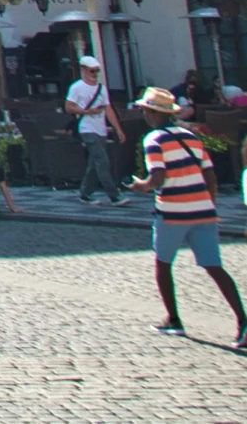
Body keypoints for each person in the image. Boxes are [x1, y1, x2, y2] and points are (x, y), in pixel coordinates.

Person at [125, 87, 245, 347]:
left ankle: (174, 320)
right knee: (214, 266)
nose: (144, 113)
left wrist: (139, 186)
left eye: (145, 109)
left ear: (153, 113)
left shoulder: (153, 140)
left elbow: (157, 179)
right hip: (203, 211)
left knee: (163, 264)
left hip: (171, 211)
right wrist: (209, 205)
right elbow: (210, 175)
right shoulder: (191, 137)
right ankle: (243, 321)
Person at [66, 55, 127, 206]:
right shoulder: (77, 87)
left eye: (96, 71)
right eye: (92, 71)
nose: (94, 74)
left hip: (100, 129)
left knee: (94, 163)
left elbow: (108, 109)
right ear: (83, 70)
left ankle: (85, 193)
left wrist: (117, 128)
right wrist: (87, 112)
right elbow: (68, 107)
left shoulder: (101, 89)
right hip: (87, 128)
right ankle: (114, 196)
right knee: (102, 161)